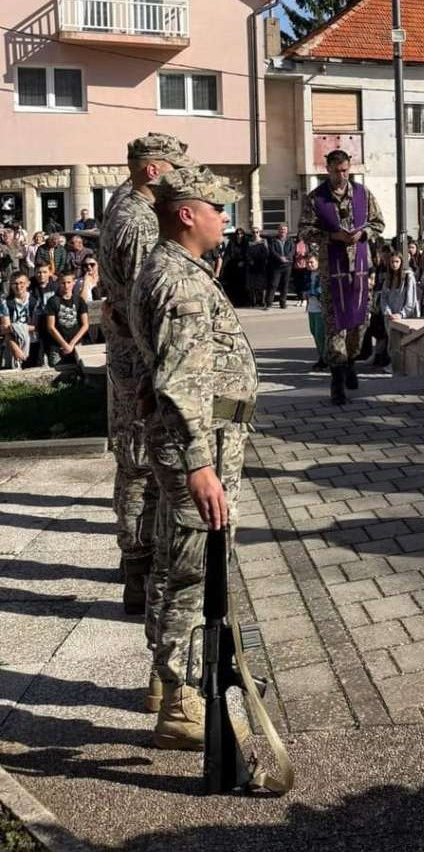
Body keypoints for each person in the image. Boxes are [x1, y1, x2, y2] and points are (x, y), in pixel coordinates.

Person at [130, 165, 257, 750]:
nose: (224, 217)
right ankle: (178, 701)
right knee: (188, 570)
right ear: (187, 214)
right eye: (217, 208)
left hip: (198, 442)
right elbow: (180, 382)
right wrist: (199, 464)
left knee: (178, 561)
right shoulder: (178, 280)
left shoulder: (177, 268)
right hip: (198, 448)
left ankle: (168, 685)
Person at [98, 131, 193, 616]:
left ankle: (137, 562)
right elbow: (144, 305)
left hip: (126, 354)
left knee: (136, 463)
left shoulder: (123, 198)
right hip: (139, 361)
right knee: (139, 466)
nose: (181, 175)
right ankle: (138, 570)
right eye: (176, 166)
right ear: (154, 170)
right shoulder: (137, 220)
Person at [297, 148, 384, 406]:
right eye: (336, 171)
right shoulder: (315, 198)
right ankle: (337, 381)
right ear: (328, 170)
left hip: (359, 271)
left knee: (358, 323)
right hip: (331, 272)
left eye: (345, 170)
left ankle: (350, 363)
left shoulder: (362, 194)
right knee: (335, 325)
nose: (341, 175)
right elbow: (304, 230)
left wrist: (364, 234)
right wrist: (331, 237)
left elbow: (379, 223)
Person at [373, 251, 418, 364]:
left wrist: (401, 314)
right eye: (392, 262)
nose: (394, 264)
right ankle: (393, 364)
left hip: (403, 316)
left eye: (397, 261)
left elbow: (411, 300)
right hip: (390, 315)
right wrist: (387, 312)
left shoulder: (408, 277)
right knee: (392, 343)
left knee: (402, 343)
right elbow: (383, 297)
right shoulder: (388, 278)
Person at [43, 271, 89, 366]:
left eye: (69, 282)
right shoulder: (52, 301)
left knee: (82, 366)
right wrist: (65, 345)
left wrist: (72, 344)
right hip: (58, 344)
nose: (66, 286)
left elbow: (85, 325)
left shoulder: (79, 300)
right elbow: (51, 327)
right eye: (63, 283)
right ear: (59, 283)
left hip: (76, 342)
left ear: (74, 282)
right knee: (57, 367)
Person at [0, 272, 40, 368]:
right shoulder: (5, 303)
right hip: (12, 342)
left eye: (21, 283)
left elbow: (38, 327)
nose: (19, 286)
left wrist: (13, 327)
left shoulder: (35, 301)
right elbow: (5, 330)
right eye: (15, 284)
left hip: (33, 342)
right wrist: (15, 349)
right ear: (11, 285)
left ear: (28, 284)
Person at [264, 223, 294, 309]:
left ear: (287, 231)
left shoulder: (290, 240)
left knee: (285, 285)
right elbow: (272, 251)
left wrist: (286, 258)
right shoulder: (273, 240)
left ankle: (283, 303)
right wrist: (280, 258)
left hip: (287, 265)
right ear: (278, 230)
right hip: (276, 265)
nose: (282, 231)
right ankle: (269, 303)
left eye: (284, 229)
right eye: (281, 229)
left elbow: (292, 251)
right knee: (273, 284)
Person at [306, 254, 327, 372]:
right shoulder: (308, 275)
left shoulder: (321, 275)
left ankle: (324, 358)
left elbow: (321, 290)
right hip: (311, 308)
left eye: (312, 262)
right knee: (314, 331)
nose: (310, 265)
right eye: (308, 263)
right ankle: (321, 356)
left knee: (320, 334)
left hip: (320, 308)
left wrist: (315, 293)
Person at [221, 226, 249, 307]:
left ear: (243, 234)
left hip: (243, 267)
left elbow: (247, 254)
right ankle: (234, 302)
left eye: (241, 234)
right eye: (237, 233)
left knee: (242, 285)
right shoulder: (232, 243)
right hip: (233, 267)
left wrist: (243, 262)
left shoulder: (246, 242)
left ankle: (243, 302)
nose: (239, 235)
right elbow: (227, 255)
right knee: (233, 285)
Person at [246, 228, 268, 307]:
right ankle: (253, 302)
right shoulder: (249, 242)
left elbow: (266, 253)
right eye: (253, 232)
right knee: (252, 285)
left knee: (262, 285)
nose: (255, 234)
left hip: (261, 266)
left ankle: (262, 301)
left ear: (259, 233)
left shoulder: (263, 242)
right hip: (252, 267)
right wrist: (250, 260)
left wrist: (260, 260)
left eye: (257, 232)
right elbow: (247, 254)